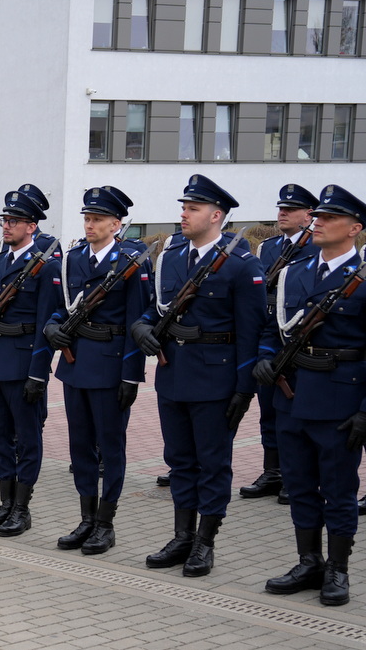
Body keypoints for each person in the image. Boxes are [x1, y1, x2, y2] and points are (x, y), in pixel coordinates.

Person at [131, 174, 266, 577]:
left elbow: (252, 331)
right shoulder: (170, 256)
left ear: (216, 215)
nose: (183, 215)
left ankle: (205, 543)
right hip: (174, 375)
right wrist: (140, 328)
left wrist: (244, 390)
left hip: (216, 378)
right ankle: (181, 536)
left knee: (212, 463)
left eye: (191, 209)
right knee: (180, 461)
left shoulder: (242, 265)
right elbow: (155, 309)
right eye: (184, 207)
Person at [257, 185, 366, 605]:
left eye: (329, 218)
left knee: (338, 488)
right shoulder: (294, 272)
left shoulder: (360, 278)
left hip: (340, 398)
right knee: (300, 485)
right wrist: (266, 357)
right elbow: (274, 328)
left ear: (354, 228)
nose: (317, 223)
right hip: (292, 394)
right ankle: (309, 561)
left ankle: (338, 570)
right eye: (317, 216)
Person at [44, 187, 151, 554]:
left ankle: (106, 523)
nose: (89, 225)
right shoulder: (74, 258)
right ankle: (86, 518)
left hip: (109, 367)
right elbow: (63, 307)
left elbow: (138, 319)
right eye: (87, 218)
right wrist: (52, 326)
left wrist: (130, 375)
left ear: (116, 224)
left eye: (97, 219)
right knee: (80, 448)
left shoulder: (132, 261)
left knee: (111, 447)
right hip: (75, 365)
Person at [0, 190, 61, 537]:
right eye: (5, 220)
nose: (7, 226)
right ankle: (4, 503)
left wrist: (38, 372)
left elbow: (46, 324)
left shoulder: (46, 266)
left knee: (28, 441)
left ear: (32, 226)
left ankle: (22, 507)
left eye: (15, 221)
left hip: (22, 365)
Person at [241, 184, 319, 503]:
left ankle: (296, 475)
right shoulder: (269, 248)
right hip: (271, 335)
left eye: (290, 209)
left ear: (308, 216)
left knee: (296, 414)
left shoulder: (317, 247)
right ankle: (272, 471)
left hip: (299, 339)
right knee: (269, 410)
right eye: (280, 208)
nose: (282, 213)